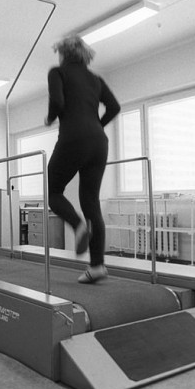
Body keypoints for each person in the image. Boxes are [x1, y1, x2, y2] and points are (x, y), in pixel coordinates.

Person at [44, 35, 121, 284]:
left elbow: (57, 100)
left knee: (53, 192)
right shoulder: (95, 79)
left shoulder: (58, 72)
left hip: (72, 139)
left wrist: (50, 117)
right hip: (99, 142)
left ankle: (78, 226)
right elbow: (115, 107)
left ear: (64, 54)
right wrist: (95, 127)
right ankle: (97, 266)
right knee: (91, 202)